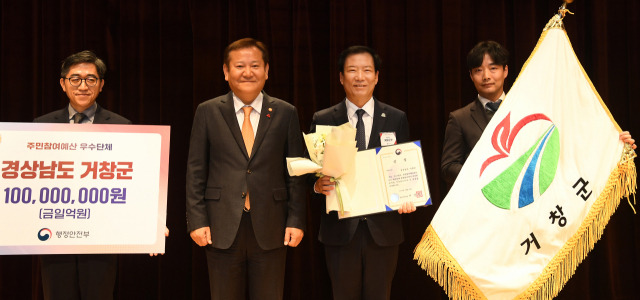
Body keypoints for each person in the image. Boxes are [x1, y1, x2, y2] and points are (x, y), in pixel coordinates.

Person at [185, 38, 306, 300]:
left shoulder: (285, 112)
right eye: (239, 66)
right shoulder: (207, 111)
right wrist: (197, 220)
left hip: (272, 225)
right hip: (220, 225)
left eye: (255, 65)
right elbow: (196, 170)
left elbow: (295, 171)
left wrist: (296, 220)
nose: (248, 72)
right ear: (226, 72)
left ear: (267, 71)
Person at [441, 41, 636, 186]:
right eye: (478, 70)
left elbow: (566, 146)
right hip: (483, 212)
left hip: (531, 207)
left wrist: (613, 143)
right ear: (471, 75)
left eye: (493, 68)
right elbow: (448, 167)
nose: (486, 76)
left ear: (505, 71)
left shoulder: (529, 108)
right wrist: (486, 175)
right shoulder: (460, 118)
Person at [311, 46, 416, 300]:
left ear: (376, 76)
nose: (360, 77)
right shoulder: (323, 118)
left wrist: (407, 195)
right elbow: (312, 171)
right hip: (340, 232)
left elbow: (404, 169)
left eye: (367, 70)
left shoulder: (395, 118)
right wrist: (317, 186)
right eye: (352, 70)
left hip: (383, 231)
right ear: (340, 77)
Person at [34, 50, 131, 300]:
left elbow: (136, 182)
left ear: (101, 85)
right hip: (54, 234)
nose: (83, 86)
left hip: (102, 236)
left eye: (91, 79)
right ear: (63, 84)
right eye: (75, 79)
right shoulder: (40, 126)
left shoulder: (122, 127)